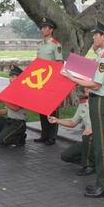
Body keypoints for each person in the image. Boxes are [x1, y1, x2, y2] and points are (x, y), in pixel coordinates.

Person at [62, 21, 104, 198]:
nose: (93, 37)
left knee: (102, 146)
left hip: (101, 100)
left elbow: (95, 83)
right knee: (101, 144)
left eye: (96, 35)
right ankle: (102, 182)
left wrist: (72, 78)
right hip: (99, 99)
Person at [48, 88, 95, 176]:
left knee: (87, 137)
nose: (86, 88)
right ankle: (94, 161)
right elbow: (73, 123)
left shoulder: (103, 104)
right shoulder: (83, 104)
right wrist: (57, 120)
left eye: (89, 85)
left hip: (102, 140)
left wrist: (93, 129)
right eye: (85, 85)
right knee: (66, 156)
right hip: (88, 141)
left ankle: (89, 166)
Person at [34, 17, 63, 145]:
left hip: (51, 81)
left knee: (52, 109)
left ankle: (52, 136)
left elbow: (59, 63)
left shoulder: (56, 45)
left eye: (46, 27)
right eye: (42, 27)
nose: (43, 29)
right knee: (42, 108)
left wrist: (55, 82)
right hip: (41, 81)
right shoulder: (40, 45)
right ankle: (44, 135)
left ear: (51, 30)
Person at [0, 65, 28, 146]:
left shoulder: (23, 92)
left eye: (13, 76)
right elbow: (7, 110)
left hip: (18, 123)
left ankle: (20, 137)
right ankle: (3, 137)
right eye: (10, 76)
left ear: (20, 78)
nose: (10, 79)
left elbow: (15, 108)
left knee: (3, 141)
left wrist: (2, 100)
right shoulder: (12, 91)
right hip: (9, 121)